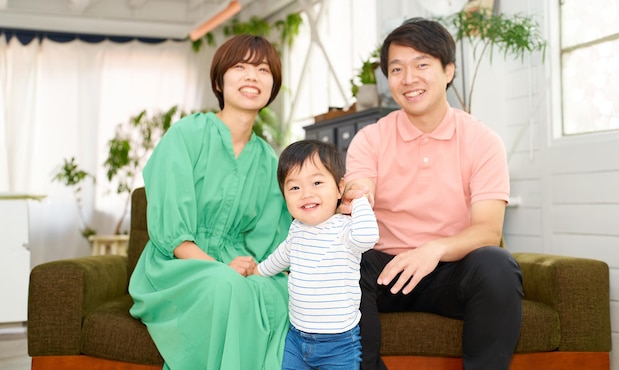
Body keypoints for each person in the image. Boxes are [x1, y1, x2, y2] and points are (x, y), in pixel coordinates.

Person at [339, 18, 524, 370]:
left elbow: (488, 230)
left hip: (449, 271)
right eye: (397, 69)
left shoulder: (483, 141)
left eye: (422, 65)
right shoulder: (371, 138)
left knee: (497, 264)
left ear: (448, 70)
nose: (408, 79)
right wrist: (357, 195)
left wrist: (433, 250)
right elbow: (362, 189)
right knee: (346, 258)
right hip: (385, 270)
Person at [128, 34, 294, 370]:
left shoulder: (267, 160)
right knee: (225, 284)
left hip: (235, 267)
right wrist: (221, 268)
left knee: (281, 293)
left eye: (263, 69)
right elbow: (172, 236)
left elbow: (270, 239)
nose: (252, 76)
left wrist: (253, 267)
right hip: (177, 266)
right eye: (240, 66)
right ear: (219, 80)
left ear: (273, 85)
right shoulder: (186, 135)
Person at [253, 139, 379, 370]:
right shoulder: (296, 230)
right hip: (297, 339)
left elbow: (367, 237)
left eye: (317, 182)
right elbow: (281, 257)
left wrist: (359, 200)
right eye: (294, 188)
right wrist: (257, 270)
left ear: (340, 188)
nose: (306, 194)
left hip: (339, 344)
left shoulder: (345, 229)